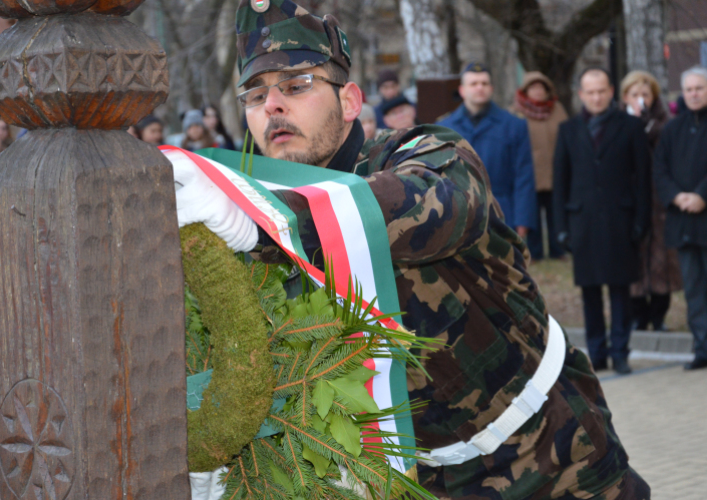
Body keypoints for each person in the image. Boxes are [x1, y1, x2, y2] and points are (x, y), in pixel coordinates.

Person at [180, 1, 651, 498]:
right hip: (423, 484)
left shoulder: (423, 155)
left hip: (551, 459)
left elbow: (442, 205)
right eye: (255, 95)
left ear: (349, 101)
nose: (272, 105)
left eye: (297, 85)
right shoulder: (244, 226)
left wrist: (271, 223)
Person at [553, 68, 650, 375]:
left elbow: (644, 180)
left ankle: (620, 351)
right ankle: (598, 352)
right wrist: (561, 227)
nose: (596, 97)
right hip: (583, 221)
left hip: (620, 219)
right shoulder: (568, 130)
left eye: (601, 91)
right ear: (581, 95)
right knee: (590, 291)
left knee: (621, 289)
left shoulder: (631, 127)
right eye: (589, 92)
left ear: (611, 92)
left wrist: (641, 221)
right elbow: (560, 180)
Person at [437, 63, 537, 239]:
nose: (479, 88)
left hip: (502, 214)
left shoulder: (514, 125)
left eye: (484, 83)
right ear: (462, 90)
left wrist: (523, 220)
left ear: (491, 88)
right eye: (474, 84)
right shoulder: (444, 128)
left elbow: (524, 176)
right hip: (459, 216)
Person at [653, 66, 707, 371]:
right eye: (689, 89)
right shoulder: (673, 129)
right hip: (684, 221)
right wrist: (677, 196)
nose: (694, 94)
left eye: (699, 88)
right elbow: (659, 169)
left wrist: (702, 195)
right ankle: (702, 348)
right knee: (694, 290)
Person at [620, 70, 682, 331]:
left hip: (658, 200)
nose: (640, 99)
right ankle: (637, 314)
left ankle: (658, 314)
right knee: (633, 256)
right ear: (625, 97)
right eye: (634, 94)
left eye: (645, 94)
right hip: (630, 199)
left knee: (660, 258)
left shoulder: (665, 123)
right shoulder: (618, 124)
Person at [511, 72, 568, 260]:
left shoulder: (557, 110)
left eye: (541, 87)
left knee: (555, 214)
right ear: (526, 91)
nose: (538, 91)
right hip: (529, 174)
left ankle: (558, 250)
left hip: (555, 172)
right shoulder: (516, 113)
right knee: (532, 215)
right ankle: (535, 253)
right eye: (533, 88)